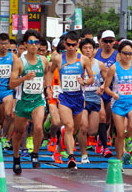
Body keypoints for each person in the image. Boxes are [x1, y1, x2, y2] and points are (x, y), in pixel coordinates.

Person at [9, 30, 52, 174]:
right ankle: (16, 158)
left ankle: (35, 153)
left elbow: (47, 74)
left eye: (37, 43)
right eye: (31, 42)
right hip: (22, 101)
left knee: (38, 127)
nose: (34, 45)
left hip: (37, 101)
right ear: (26, 44)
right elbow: (11, 84)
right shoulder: (20, 62)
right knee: (19, 132)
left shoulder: (43, 60)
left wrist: (48, 87)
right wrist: (24, 78)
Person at [49, 31, 94, 168]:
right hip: (64, 98)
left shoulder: (83, 59)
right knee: (68, 126)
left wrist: (85, 82)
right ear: (64, 43)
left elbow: (92, 78)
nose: (70, 47)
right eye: (68, 44)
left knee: (74, 130)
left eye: (73, 45)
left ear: (78, 44)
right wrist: (48, 87)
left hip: (79, 98)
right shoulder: (58, 58)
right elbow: (50, 72)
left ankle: (58, 151)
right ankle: (71, 157)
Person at [79, 38, 107, 163]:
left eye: (90, 48)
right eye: (85, 48)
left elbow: (108, 79)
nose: (88, 50)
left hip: (95, 97)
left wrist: (103, 86)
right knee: (83, 127)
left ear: (94, 49)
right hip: (82, 97)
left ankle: (66, 134)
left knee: (92, 131)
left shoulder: (99, 64)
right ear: (81, 50)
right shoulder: (77, 63)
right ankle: (84, 154)